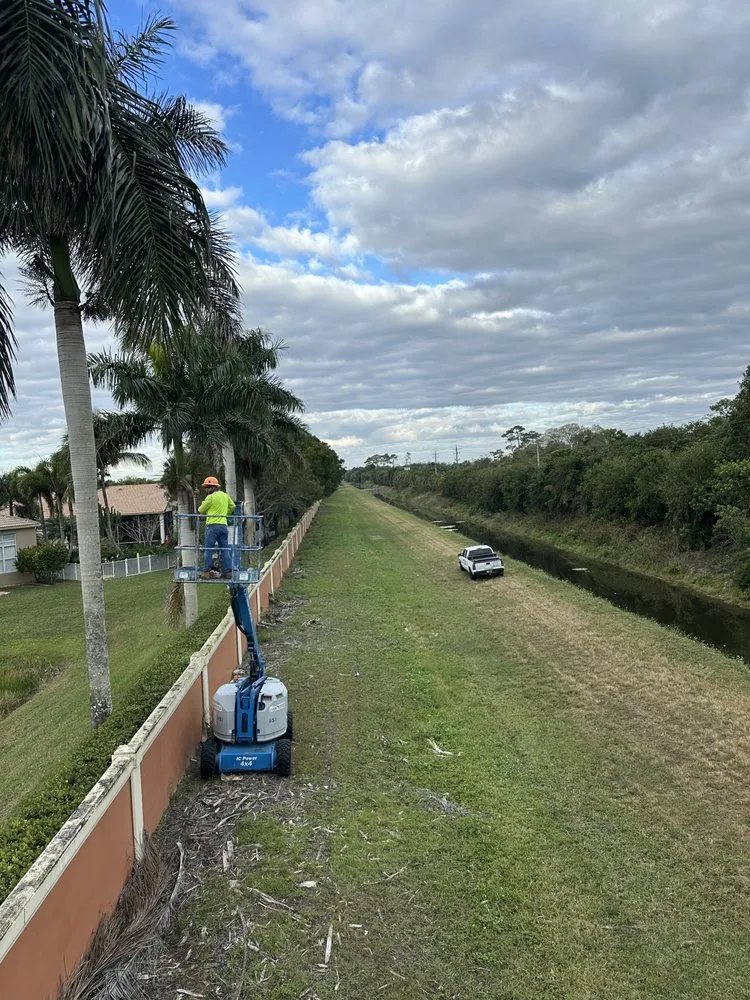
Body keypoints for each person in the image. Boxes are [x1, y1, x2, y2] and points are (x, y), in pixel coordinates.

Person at [198, 476, 235, 579]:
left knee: (208, 549)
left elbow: (201, 510)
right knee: (225, 549)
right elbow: (232, 506)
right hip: (223, 526)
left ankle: (206, 572)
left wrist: (204, 504)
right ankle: (228, 572)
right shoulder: (225, 496)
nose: (206, 490)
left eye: (207, 487)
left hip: (212, 527)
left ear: (213, 488)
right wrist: (225, 514)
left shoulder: (210, 497)